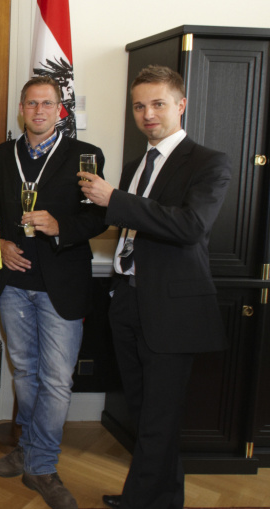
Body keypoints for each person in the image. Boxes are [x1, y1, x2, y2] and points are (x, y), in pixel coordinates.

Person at [80, 65, 230, 509]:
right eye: (139, 106)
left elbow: (191, 226)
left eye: (158, 104)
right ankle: (162, 497)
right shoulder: (134, 165)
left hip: (171, 308)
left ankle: (139, 500)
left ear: (181, 105)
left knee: (160, 416)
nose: (147, 114)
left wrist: (115, 200)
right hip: (127, 299)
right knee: (145, 412)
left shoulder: (208, 162)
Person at [0, 76, 107, 509]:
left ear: (60, 110)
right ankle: (28, 448)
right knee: (25, 373)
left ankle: (41, 464)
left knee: (57, 380)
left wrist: (61, 229)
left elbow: (99, 218)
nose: (39, 111)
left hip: (63, 284)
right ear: (21, 108)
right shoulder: (1, 155)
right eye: (31, 104)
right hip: (15, 284)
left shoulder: (85, 157)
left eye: (47, 104)